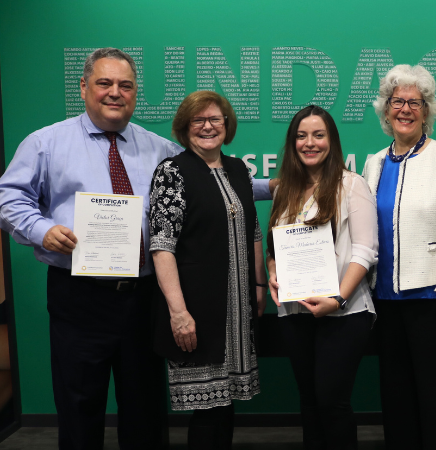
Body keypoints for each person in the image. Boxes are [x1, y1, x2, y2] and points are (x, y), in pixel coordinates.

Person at [0, 47, 272, 450]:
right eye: (104, 83)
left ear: (134, 92)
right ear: (83, 88)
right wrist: (41, 230)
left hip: (144, 296)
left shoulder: (157, 148)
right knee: (80, 404)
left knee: (144, 408)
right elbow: (9, 198)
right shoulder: (46, 143)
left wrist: (287, 187)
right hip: (80, 294)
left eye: (125, 85)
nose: (115, 92)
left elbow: (211, 184)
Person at [363, 64, 436, 449]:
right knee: (396, 400)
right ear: (386, 109)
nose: (406, 109)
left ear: (427, 110)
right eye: (398, 101)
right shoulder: (374, 162)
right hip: (385, 301)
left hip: (433, 301)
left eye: (415, 102)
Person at [149, 91, 266, 449]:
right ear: (184, 128)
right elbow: (162, 245)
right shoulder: (172, 172)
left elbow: (254, 230)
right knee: (207, 409)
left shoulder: (237, 169)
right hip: (197, 311)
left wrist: (259, 286)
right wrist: (178, 312)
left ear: (227, 125)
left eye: (215, 119)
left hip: (236, 312)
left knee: (225, 404)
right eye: (197, 120)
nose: (207, 126)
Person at [266, 105, 378, 450]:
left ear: (332, 141)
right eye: (301, 136)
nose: (309, 143)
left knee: (332, 402)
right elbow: (275, 247)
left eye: (318, 135)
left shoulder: (352, 184)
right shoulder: (285, 189)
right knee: (310, 403)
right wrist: (273, 273)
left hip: (345, 312)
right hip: (296, 312)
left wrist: (338, 299)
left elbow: (365, 251)